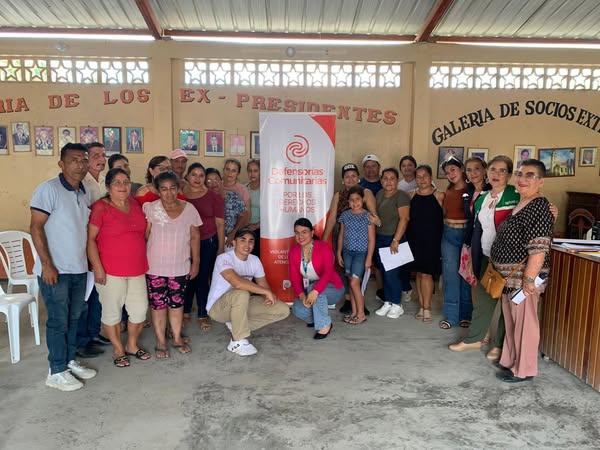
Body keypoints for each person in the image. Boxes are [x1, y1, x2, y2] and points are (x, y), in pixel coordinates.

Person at [30, 143, 97, 391]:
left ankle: (68, 361)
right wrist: (47, 264)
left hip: (78, 268)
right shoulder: (48, 189)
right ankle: (56, 371)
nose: (79, 165)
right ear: (61, 164)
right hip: (55, 270)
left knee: (74, 318)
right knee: (58, 321)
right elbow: (36, 227)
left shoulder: (84, 192)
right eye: (73, 160)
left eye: (83, 160)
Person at [490, 159, 554, 383]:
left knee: (525, 324)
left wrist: (529, 279)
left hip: (523, 279)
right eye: (520, 174)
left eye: (530, 175)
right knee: (512, 322)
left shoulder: (539, 206)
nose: (522, 179)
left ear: (541, 182)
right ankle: (510, 360)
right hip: (510, 279)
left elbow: (539, 247)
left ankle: (524, 369)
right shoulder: (523, 202)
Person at [87, 168, 151, 368]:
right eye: (117, 182)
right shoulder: (100, 208)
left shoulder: (135, 204)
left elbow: (143, 233)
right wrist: (97, 267)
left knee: (140, 310)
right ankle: (118, 349)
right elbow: (90, 240)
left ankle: (132, 344)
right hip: (110, 270)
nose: (123, 186)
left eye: (126, 182)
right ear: (108, 187)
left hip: (137, 268)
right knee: (112, 312)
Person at [144, 171, 201, 358]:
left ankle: (176, 337)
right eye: (164, 189)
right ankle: (161, 341)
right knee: (158, 306)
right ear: (158, 190)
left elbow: (195, 237)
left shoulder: (189, 209)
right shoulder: (150, 208)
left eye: (172, 188)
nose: (169, 193)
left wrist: (196, 262)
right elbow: (145, 236)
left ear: (178, 188)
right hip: (155, 267)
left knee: (177, 304)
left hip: (180, 266)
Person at [206, 227, 290, 356]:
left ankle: (237, 326)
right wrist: (265, 292)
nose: (247, 244)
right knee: (241, 292)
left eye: (251, 241)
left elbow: (263, 285)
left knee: (282, 310)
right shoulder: (223, 258)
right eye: (243, 240)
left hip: (241, 303)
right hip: (218, 309)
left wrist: (268, 296)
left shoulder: (254, 260)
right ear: (234, 243)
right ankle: (236, 341)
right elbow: (237, 283)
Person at [323, 163, 379, 315]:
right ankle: (349, 300)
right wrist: (324, 239)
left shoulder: (366, 193)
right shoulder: (339, 195)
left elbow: (374, 216)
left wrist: (377, 223)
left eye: (354, 175)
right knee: (345, 270)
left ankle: (361, 303)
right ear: (343, 180)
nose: (350, 179)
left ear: (359, 178)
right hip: (343, 236)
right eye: (347, 176)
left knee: (359, 272)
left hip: (361, 239)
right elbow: (332, 218)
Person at [183, 163, 225, 331]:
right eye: (194, 174)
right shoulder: (180, 194)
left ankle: (202, 313)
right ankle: (185, 311)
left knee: (202, 278)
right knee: (186, 277)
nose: (197, 178)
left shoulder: (214, 197)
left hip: (208, 242)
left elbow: (220, 224)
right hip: (184, 242)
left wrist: (220, 249)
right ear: (187, 176)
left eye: (201, 175)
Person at [76, 142, 109, 359]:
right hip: (84, 244)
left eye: (103, 155)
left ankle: (94, 334)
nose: (101, 159)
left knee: (97, 294)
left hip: (103, 245)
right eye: (96, 155)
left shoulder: (105, 181)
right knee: (84, 297)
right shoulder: (81, 182)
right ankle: (81, 341)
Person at [290, 218, 344, 338]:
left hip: (333, 288)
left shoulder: (323, 247)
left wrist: (315, 290)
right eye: (297, 233)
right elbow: (294, 278)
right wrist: (302, 296)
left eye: (304, 232)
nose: (300, 236)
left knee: (314, 290)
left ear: (312, 232)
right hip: (311, 289)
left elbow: (328, 273)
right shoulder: (293, 252)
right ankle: (317, 318)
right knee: (297, 308)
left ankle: (324, 325)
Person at [407, 164, 444, 324]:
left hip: (432, 241)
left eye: (425, 176)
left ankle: (427, 308)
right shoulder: (410, 195)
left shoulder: (439, 195)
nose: (422, 180)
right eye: (418, 177)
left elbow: (446, 218)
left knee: (427, 274)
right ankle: (422, 306)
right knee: (419, 273)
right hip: (415, 239)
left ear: (431, 177)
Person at [439, 156, 472, 330]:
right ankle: (451, 316)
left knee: (465, 275)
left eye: (453, 169)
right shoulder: (448, 190)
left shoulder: (471, 189)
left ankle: (465, 314)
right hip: (449, 234)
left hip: (466, 234)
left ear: (462, 169)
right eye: (447, 172)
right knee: (450, 275)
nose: (450, 174)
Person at [374, 168, 411, 319]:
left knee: (392, 274)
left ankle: (397, 304)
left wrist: (396, 240)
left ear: (397, 180)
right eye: (385, 178)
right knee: (384, 272)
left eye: (392, 178)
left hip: (394, 239)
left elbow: (404, 219)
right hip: (380, 238)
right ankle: (388, 302)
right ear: (381, 180)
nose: (388, 181)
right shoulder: (379, 194)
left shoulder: (401, 196)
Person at [336, 186, 375, 325]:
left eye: (357, 199)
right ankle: (354, 312)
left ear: (362, 200)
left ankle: (361, 314)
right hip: (347, 253)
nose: (355, 203)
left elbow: (372, 239)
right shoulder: (345, 215)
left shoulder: (368, 216)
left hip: (361, 254)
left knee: (354, 282)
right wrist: (339, 252)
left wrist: (369, 258)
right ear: (348, 201)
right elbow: (341, 235)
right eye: (351, 200)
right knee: (351, 283)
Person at [206, 168, 248, 247]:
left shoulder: (233, 196)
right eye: (209, 181)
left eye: (216, 179)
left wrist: (233, 233)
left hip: (230, 241)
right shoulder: (205, 200)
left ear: (221, 180)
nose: (213, 183)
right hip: (211, 241)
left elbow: (244, 215)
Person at [246, 159, 261, 257]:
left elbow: (272, 213)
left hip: (260, 230)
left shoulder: (265, 189)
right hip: (245, 229)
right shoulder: (244, 188)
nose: (252, 174)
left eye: (255, 171)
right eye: (250, 171)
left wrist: (256, 226)